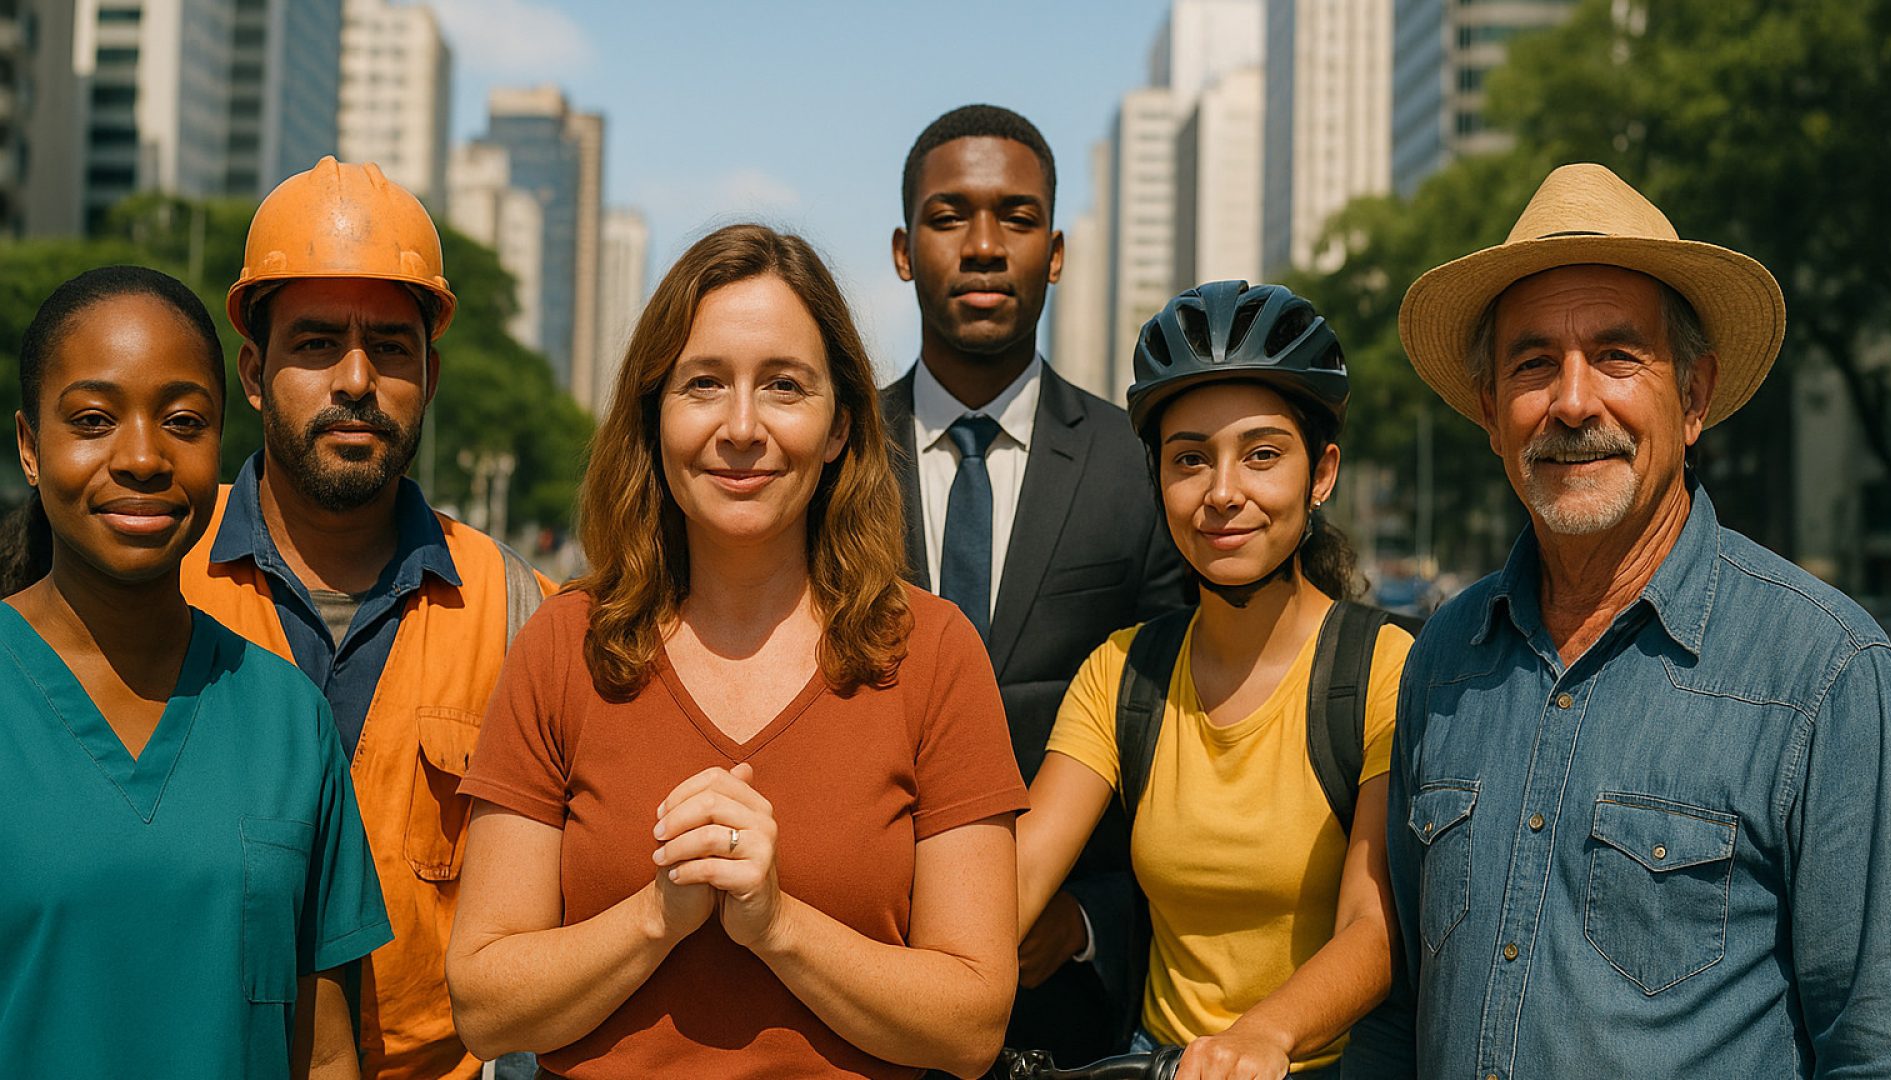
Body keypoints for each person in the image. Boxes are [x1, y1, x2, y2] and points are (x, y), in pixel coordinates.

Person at [1352, 163, 1891, 1076]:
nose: (1574, 402)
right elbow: (1397, 1016)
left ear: (1693, 397)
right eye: (1533, 364)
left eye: (1618, 356)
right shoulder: (1446, 658)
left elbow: (1884, 1050)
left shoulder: (1823, 672)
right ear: (1492, 413)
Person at [444, 223, 1028, 1078]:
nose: (743, 426)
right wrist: (657, 915)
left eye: (785, 386)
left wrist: (777, 925)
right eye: (704, 384)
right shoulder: (564, 646)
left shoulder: (934, 655)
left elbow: (972, 1028)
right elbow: (485, 1008)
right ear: (654, 417)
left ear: (840, 426)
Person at [177, 156, 554, 1080]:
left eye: (389, 347)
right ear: (254, 372)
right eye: (316, 344)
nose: (356, 379)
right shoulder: (162, 581)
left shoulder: (519, 611)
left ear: (430, 374)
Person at [0, 266, 390, 1078]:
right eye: (94, 420)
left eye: (183, 421)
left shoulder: (288, 720)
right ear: (31, 447)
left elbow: (325, 1055)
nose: (143, 458)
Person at [1017, 281, 1406, 1080]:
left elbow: (1372, 930)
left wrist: (1262, 1038)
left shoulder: (1382, 668)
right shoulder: (1123, 671)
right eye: (1190, 459)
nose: (1224, 493)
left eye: (1262, 455)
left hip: (1317, 1064)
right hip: (1155, 1062)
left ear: (1322, 472)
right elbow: (1014, 880)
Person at [886, 102, 1186, 1064]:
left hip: (1068, 1015)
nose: (983, 246)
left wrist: (1093, 919)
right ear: (903, 251)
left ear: (1055, 254)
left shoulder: (1141, 467)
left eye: (1016, 218)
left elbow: (1189, 737)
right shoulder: (829, 462)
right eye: (949, 217)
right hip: (858, 991)